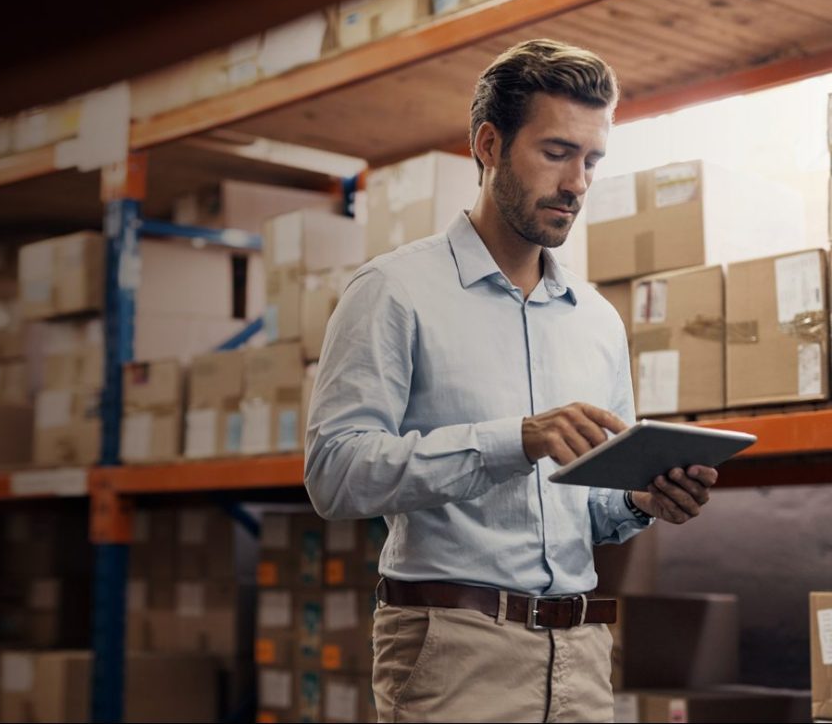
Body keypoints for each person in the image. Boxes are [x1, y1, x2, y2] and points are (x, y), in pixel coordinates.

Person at [303, 39, 719, 723]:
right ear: (490, 145)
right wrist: (515, 440)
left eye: (592, 160)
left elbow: (591, 509)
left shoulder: (597, 321)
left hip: (582, 655)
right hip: (453, 653)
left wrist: (642, 498)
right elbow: (333, 473)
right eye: (556, 152)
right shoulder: (394, 291)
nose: (577, 182)